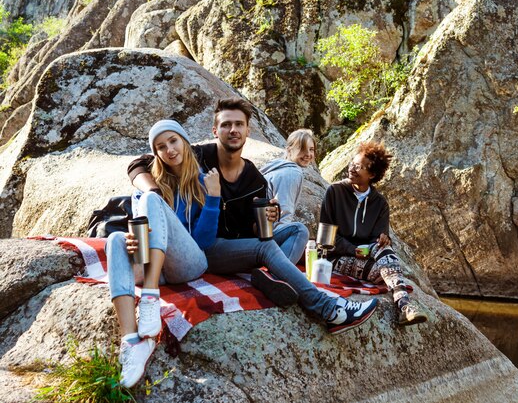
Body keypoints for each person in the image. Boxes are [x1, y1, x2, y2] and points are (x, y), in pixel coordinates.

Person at [127, 98, 379, 335]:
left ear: (248, 131)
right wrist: (154, 192)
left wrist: (268, 219)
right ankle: (327, 308)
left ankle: (272, 276)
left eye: (239, 124)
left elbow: (253, 231)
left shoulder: (255, 180)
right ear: (216, 130)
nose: (233, 129)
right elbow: (139, 164)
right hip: (207, 246)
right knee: (265, 248)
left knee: (298, 230)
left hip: (236, 245)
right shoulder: (197, 156)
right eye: (226, 124)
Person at [107, 119, 221, 387]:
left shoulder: (205, 181)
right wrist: (133, 241)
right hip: (156, 268)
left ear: (184, 141)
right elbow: (140, 238)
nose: (169, 150)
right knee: (114, 240)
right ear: (155, 153)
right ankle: (132, 342)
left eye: (173, 141)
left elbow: (204, 240)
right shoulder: (150, 187)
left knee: (150, 199)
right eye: (161, 146)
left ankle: (149, 297)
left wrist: (214, 198)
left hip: (189, 263)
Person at [320, 141, 429, 326]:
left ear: (371, 175)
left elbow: (378, 241)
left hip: (367, 257)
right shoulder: (335, 192)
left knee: (385, 258)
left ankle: (403, 305)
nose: (352, 169)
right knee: (387, 272)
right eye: (352, 164)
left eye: (359, 167)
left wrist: (382, 240)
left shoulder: (380, 203)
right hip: (336, 257)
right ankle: (404, 304)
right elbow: (325, 239)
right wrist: (353, 249)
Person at [259, 129, 315, 264]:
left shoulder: (276, 167)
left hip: (256, 230)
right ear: (289, 150)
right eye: (302, 149)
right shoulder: (292, 173)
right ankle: (279, 273)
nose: (308, 154)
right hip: (262, 234)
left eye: (311, 149)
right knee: (300, 231)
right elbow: (282, 216)